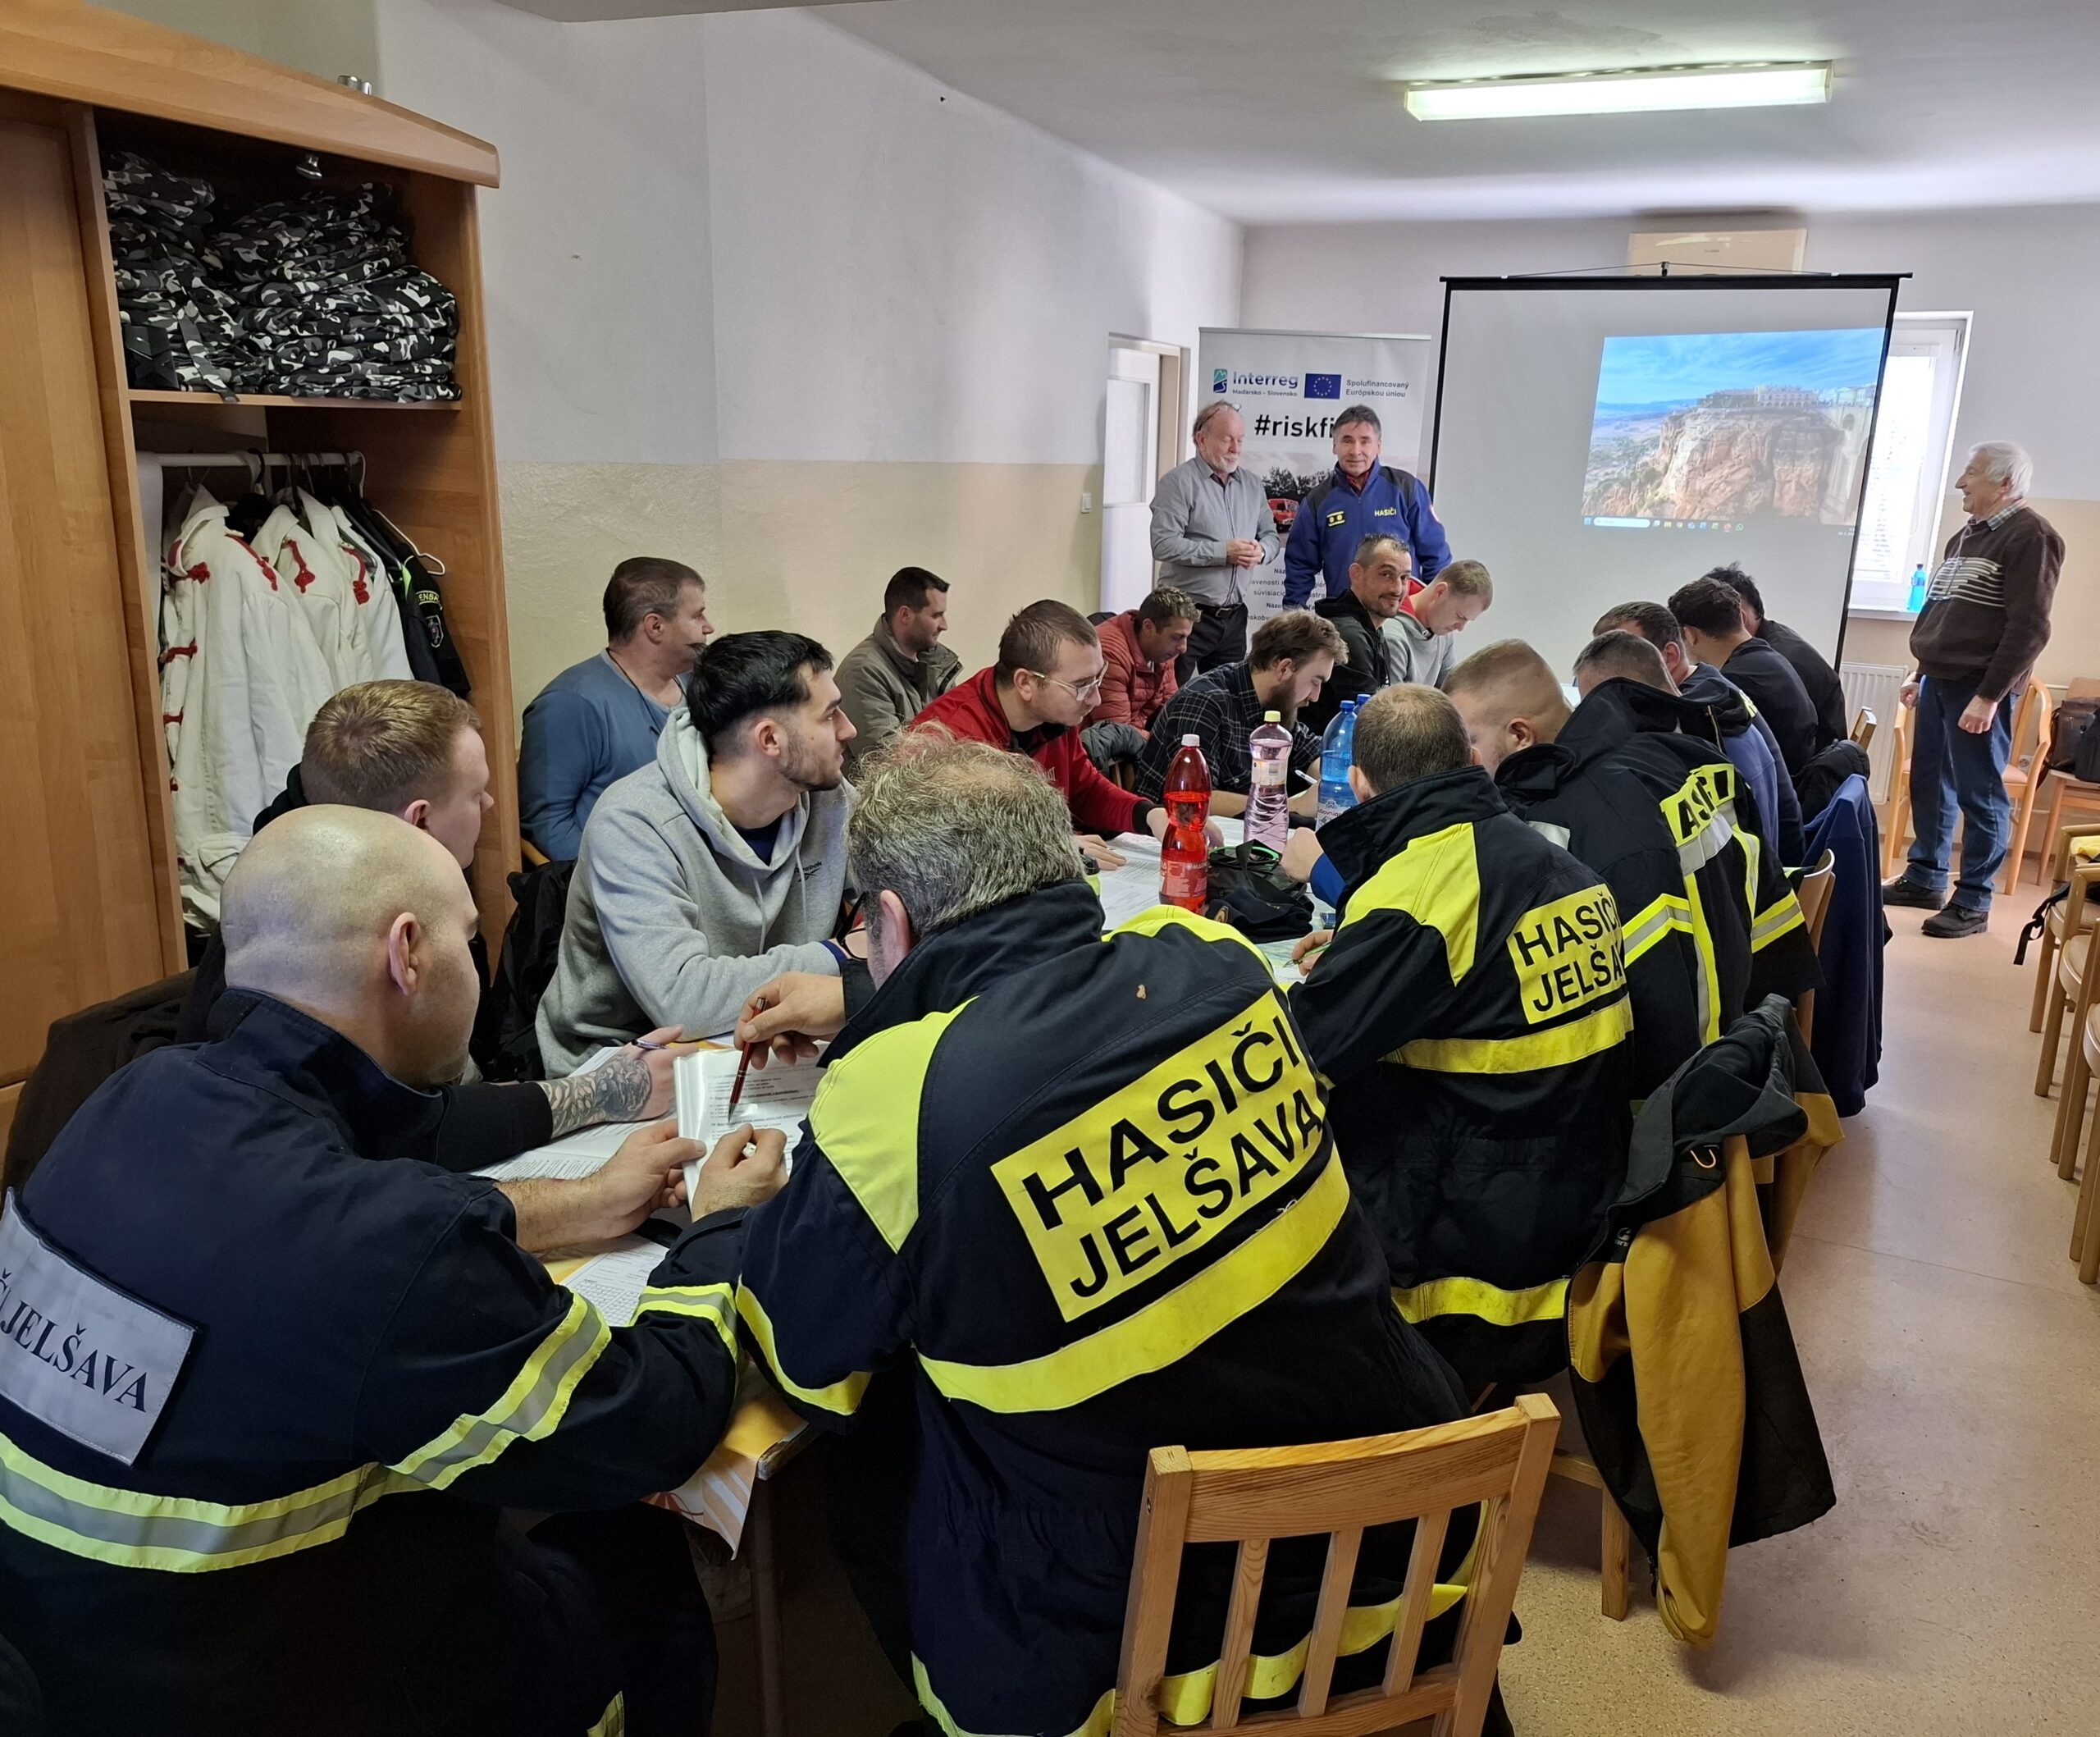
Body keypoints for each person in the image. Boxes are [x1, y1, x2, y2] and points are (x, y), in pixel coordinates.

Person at [728, 737, 1470, 1737]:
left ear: (888, 920)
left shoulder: (895, 1097)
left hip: (1134, 1633)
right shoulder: (1214, 961)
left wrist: (725, 1220)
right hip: (1394, 1532)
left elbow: (805, 1358)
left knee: (876, 1443)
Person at [0, 805, 788, 1735]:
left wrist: (580, 1201)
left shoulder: (133, 1096)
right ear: (407, 952)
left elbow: (320, 1210)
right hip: (274, 1683)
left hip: (81, 1661)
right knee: (634, 1558)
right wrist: (720, 1227)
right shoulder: (388, 1247)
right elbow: (654, 1420)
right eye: (469, 938)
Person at [176, 681, 681, 1206]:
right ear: (419, 821)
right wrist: (603, 1093)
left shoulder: (292, 870)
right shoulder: (325, 934)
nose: (490, 804)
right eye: (476, 794)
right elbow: (402, 1127)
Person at [1285, 685, 1634, 1390]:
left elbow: (1294, 1056)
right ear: (1472, 760)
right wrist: (1365, 955)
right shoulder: (1553, 863)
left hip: (1468, 1279)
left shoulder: (1419, 899)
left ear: (1359, 783)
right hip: (1571, 1221)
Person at [1445, 640, 1819, 1095]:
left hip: (1685, 1089)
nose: (1463, 763)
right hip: (1746, 1030)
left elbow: (1651, 1008)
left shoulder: (1576, 821)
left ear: (1520, 735)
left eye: (1469, 743)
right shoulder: (1676, 753)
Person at [538, 631, 861, 1076]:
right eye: (829, 715)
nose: (848, 729)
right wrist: (841, 955)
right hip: (622, 1062)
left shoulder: (828, 796)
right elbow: (684, 1001)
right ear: (770, 740)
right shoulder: (635, 822)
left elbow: (907, 903)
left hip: (764, 1043)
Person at [1885, 441, 2064, 937]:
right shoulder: (1965, 536)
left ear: (2004, 484)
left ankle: (1973, 902)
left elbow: (2030, 628)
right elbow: (1941, 611)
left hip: (1979, 687)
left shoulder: (2032, 536)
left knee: (1980, 795)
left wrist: (1989, 696)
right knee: (1930, 783)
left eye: (1972, 473)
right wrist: (1920, 672)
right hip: (1939, 680)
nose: (1961, 483)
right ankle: (1925, 877)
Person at [910, 600, 1179, 865]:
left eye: (1098, 679)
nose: (1095, 699)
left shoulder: (1056, 717)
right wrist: (1048, 848)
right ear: (1025, 683)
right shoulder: (947, 738)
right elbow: (942, 848)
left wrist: (1148, 815)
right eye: (1082, 685)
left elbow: (1085, 791)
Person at [518, 556, 713, 861]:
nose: (708, 627)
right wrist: (626, 874)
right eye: (697, 616)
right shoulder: (569, 704)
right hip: (625, 880)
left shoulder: (699, 684)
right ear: (655, 626)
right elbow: (548, 827)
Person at [1591, 602, 1806, 864]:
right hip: (1775, 853)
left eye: (1620, 660)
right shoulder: (1713, 687)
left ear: (1669, 656)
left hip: (1764, 866)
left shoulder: (1696, 721)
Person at [1133, 609, 1343, 816]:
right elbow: (1195, 798)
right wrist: (1290, 806)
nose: (1315, 696)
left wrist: (1334, 780)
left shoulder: (1274, 703)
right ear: (1284, 668)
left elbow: (1310, 754)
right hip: (1167, 831)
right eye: (1315, 682)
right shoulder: (1203, 702)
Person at [1148, 403, 1280, 679]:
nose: (1236, 448)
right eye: (1227, 439)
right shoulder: (1177, 483)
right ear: (1201, 439)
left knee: (1229, 696)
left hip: (1233, 618)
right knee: (1171, 694)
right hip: (1184, 614)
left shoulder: (1252, 485)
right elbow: (1163, 544)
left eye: (1240, 440)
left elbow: (1271, 535)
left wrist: (1262, 551)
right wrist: (1222, 553)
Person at [1283, 405, 1451, 606]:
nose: (1356, 451)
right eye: (1347, 441)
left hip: (1401, 613)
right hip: (1345, 615)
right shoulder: (1317, 500)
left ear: (1378, 446)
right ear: (1334, 446)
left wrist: (1436, 607)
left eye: (1365, 441)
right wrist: (1292, 611)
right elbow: (1300, 564)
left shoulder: (1406, 488)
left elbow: (1436, 556)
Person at [1668, 575, 1820, 779]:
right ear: (1740, 617)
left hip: (1779, 790)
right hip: (1798, 778)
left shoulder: (1733, 684)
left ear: (1689, 635)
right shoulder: (1770, 657)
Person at [835, 566, 961, 775]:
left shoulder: (936, 663)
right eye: (936, 615)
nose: (944, 625)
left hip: (932, 785)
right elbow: (889, 765)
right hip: (888, 794)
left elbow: (960, 734)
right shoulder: (863, 673)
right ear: (905, 615)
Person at [1715, 565, 1847, 750]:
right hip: (1822, 747)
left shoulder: (1769, 661)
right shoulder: (1771, 636)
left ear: (1739, 617)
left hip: (1817, 755)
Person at [1306, 532, 1407, 729]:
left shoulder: (1371, 628)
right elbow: (1373, 721)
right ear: (1356, 574)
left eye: (1404, 578)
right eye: (1386, 574)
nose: (1397, 589)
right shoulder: (1349, 635)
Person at [1084, 584, 1196, 758]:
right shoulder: (1111, 653)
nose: (1183, 648)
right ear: (1148, 627)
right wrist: (1172, 745)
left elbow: (1174, 711)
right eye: (1177, 637)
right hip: (1100, 756)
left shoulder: (1163, 652)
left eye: (1186, 638)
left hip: (1136, 741)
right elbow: (1116, 733)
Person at [1383, 555, 1494, 689]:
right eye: (1460, 616)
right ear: (1440, 592)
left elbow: (1451, 691)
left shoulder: (1443, 632)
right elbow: (1392, 702)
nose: (1460, 628)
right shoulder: (1392, 636)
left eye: (1467, 620)